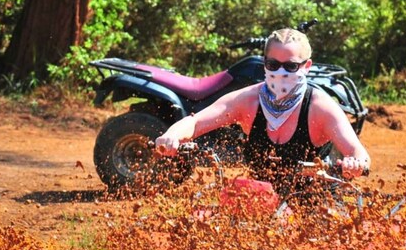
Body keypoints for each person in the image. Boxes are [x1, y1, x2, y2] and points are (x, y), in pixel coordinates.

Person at [155, 28, 370, 194]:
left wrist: (355, 162)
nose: (281, 72)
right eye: (273, 64)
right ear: (264, 63)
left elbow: (358, 153)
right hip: (262, 202)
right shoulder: (248, 101)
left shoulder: (320, 108)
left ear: (306, 66)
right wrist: (171, 135)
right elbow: (195, 122)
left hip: (316, 208)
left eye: (291, 66)